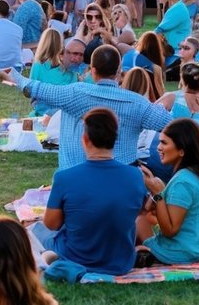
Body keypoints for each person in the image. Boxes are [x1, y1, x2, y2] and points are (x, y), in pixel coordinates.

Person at [0, 44, 169, 168]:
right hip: (122, 179)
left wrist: (13, 76)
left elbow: (38, 88)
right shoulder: (137, 103)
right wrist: (172, 98)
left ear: (92, 71)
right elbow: (171, 124)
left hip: (76, 176)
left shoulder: (76, 93)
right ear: (118, 72)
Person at [31, 108, 147, 276]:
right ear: (114, 140)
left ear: (85, 139)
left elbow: (51, 224)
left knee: (33, 230)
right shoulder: (136, 175)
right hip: (120, 261)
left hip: (75, 257)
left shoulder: (65, 177)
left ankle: (51, 258)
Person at [137, 119, 199, 264]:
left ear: (181, 151)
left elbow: (170, 230)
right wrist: (154, 190)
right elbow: (150, 212)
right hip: (194, 248)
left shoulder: (183, 183)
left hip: (180, 253)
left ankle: (140, 254)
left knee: (137, 221)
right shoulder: (190, 175)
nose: (158, 148)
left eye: (164, 143)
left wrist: (159, 194)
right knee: (143, 218)